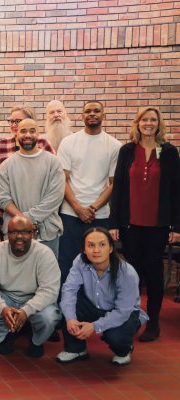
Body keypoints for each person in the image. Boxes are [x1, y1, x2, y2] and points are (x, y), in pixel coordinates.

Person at [109, 107, 180, 342]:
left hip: (158, 225)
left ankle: (154, 321)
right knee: (133, 274)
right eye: (144, 119)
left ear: (159, 124)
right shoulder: (127, 150)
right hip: (131, 224)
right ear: (137, 123)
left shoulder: (169, 152)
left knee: (154, 273)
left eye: (153, 120)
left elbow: (176, 191)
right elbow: (118, 187)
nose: (148, 123)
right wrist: (114, 223)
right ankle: (132, 318)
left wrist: (176, 227)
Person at [57, 228, 148, 365]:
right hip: (93, 305)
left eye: (102, 244)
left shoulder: (127, 273)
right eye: (91, 245)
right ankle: (76, 349)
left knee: (115, 337)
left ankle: (125, 349)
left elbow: (122, 311)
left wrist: (94, 326)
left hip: (124, 313)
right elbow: (69, 290)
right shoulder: (80, 261)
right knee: (66, 300)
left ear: (111, 248)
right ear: (84, 249)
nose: (96, 250)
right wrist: (70, 319)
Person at [0, 216, 61, 357]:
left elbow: (49, 291)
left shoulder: (44, 253)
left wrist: (26, 310)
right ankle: (6, 336)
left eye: (25, 232)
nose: (19, 236)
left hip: (33, 297)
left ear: (33, 234)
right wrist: (2, 308)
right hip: (7, 298)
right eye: (14, 232)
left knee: (50, 316)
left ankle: (36, 341)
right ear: (7, 234)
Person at [57, 101, 122, 284]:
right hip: (70, 214)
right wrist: (78, 208)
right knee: (67, 263)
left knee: (99, 263)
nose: (92, 114)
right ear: (82, 116)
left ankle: (97, 307)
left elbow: (113, 184)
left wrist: (92, 207)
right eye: (88, 111)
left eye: (96, 111)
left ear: (103, 115)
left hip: (100, 215)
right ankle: (66, 309)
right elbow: (63, 180)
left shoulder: (114, 145)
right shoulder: (69, 142)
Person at [0, 118, 65, 256]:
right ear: (17, 134)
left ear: (39, 134)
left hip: (47, 233)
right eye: (23, 131)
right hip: (14, 234)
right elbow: (3, 199)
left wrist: (26, 219)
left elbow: (55, 197)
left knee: (47, 276)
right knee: (13, 276)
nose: (28, 135)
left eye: (32, 131)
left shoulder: (53, 162)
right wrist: (24, 223)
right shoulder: (6, 166)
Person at [0, 106, 55, 241]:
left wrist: (31, 216)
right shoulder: (2, 145)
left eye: (18, 121)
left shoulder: (44, 145)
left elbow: (52, 185)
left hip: (42, 221)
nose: (14, 125)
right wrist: (18, 215)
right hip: (8, 216)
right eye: (11, 121)